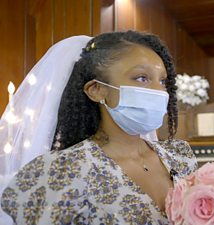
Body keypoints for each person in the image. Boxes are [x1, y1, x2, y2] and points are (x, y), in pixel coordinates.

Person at [0, 31, 197, 224]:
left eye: (162, 81)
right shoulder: (63, 171)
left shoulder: (180, 157)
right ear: (96, 90)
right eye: (141, 78)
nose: (159, 91)